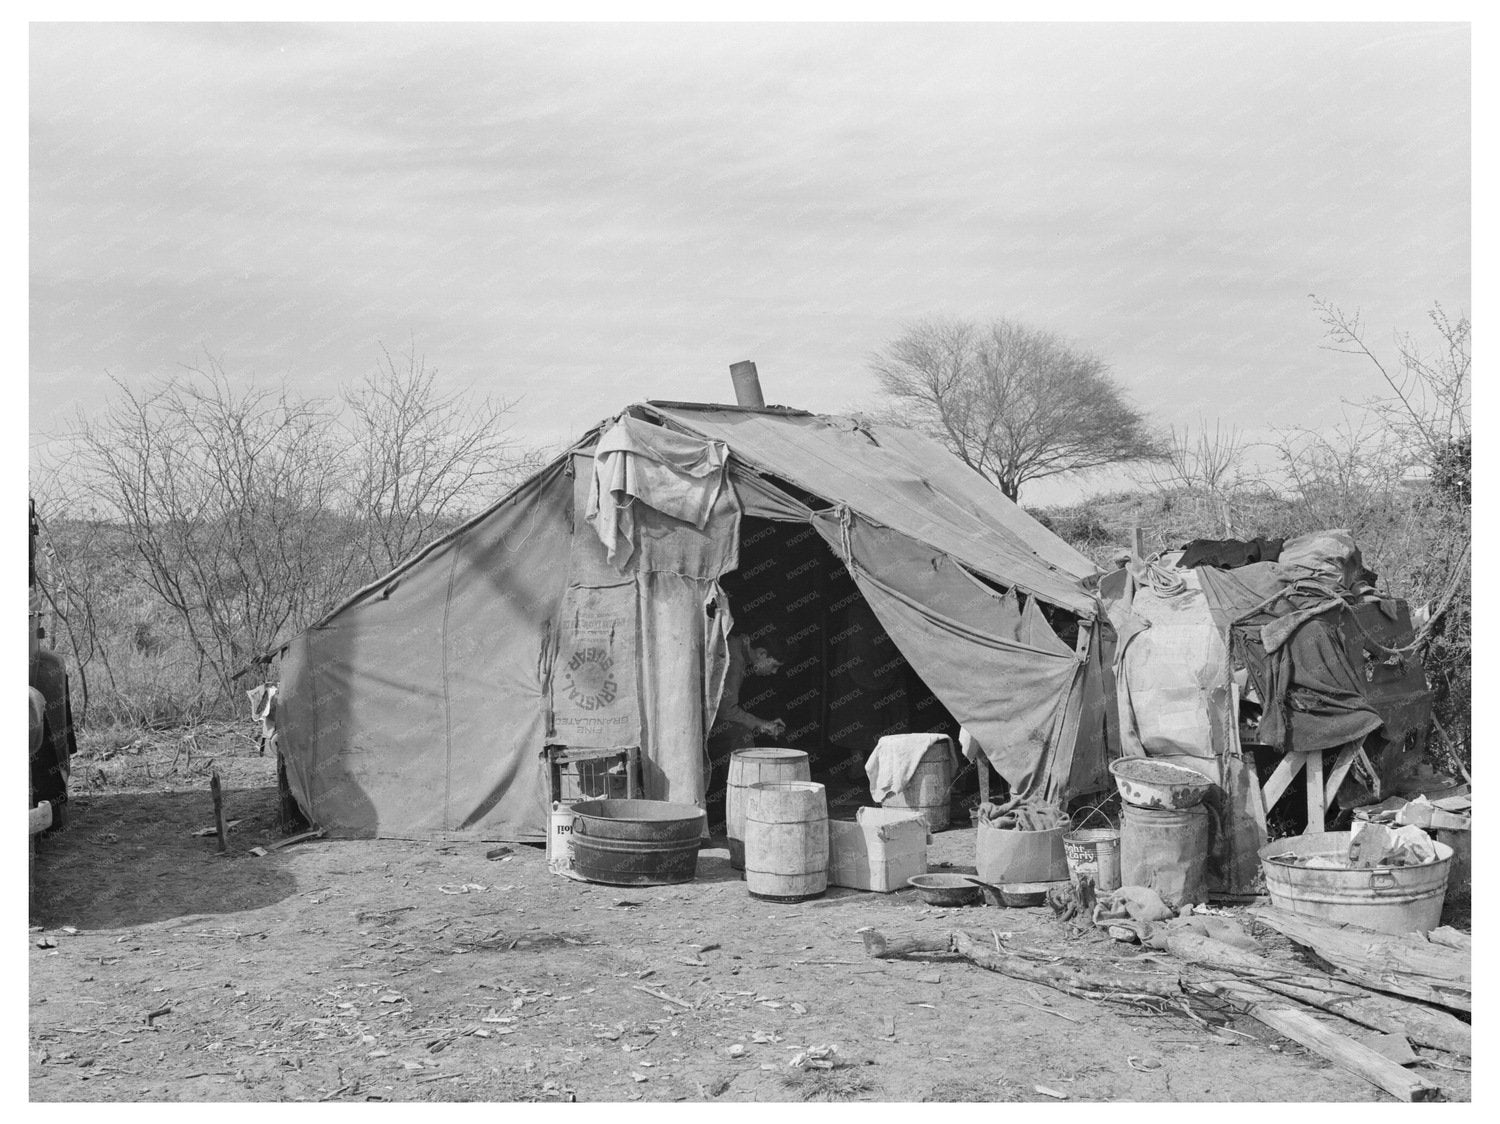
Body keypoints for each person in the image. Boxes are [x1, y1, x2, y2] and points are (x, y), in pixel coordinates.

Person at [709, 631, 786, 753]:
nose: (774, 672)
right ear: (762, 653)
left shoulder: (738, 646)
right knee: (741, 735)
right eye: (774, 666)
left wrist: (762, 724)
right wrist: (761, 724)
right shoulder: (735, 659)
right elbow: (726, 710)